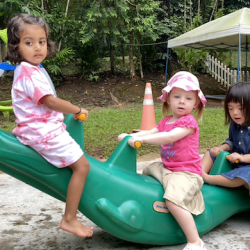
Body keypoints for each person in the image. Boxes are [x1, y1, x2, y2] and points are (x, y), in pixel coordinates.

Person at [7, 14, 93, 238]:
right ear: (16, 47)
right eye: (29, 42)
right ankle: (70, 219)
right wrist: (77, 109)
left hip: (40, 128)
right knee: (82, 167)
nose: (37, 47)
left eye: (41, 41)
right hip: (42, 133)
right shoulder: (28, 72)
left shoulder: (30, 70)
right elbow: (50, 101)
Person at [118, 71, 207, 250]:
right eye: (177, 96)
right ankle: (149, 203)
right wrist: (130, 135)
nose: (182, 101)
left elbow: (169, 137)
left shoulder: (189, 123)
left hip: (186, 173)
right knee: (147, 170)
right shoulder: (165, 121)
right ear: (168, 99)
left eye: (188, 98)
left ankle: (195, 241)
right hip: (167, 168)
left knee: (173, 200)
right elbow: (151, 132)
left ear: (196, 103)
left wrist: (142, 141)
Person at [202, 81, 250, 191]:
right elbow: (232, 141)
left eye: (240, 108)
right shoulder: (235, 125)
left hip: (247, 168)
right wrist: (221, 148)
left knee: (247, 175)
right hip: (235, 163)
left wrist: (242, 157)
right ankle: (197, 175)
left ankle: (209, 178)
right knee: (210, 153)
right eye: (231, 108)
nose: (235, 113)